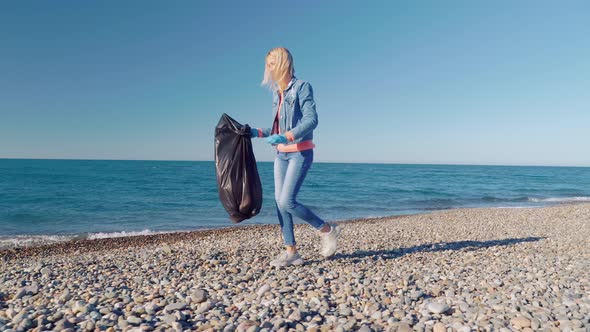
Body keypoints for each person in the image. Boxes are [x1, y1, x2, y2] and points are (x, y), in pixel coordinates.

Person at [250, 47, 341, 267]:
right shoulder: (277, 94)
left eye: (272, 64)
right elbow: (277, 130)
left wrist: (287, 136)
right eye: (268, 64)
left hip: (300, 152)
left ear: (282, 63)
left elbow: (311, 120)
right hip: (281, 155)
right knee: (279, 204)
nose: (269, 69)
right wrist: (256, 132)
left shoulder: (302, 87)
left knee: (287, 201)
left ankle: (328, 230)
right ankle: (292, 252)